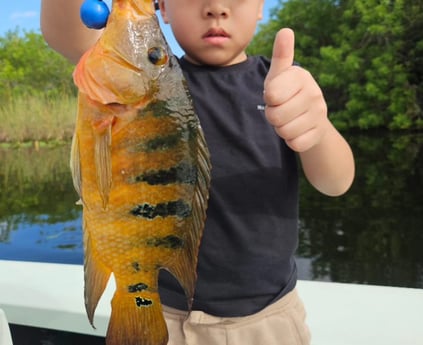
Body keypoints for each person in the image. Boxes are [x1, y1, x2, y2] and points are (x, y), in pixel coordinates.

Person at [41, 0, 355, 344]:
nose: (216, 7)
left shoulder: (282, 83)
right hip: (161, 308)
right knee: (138, 303)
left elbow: (336, 182)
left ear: (262, 7)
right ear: (163, 9)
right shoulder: (147, 79)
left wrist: (317, 128)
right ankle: (136, 298)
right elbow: (64, 33)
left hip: (268, 321)